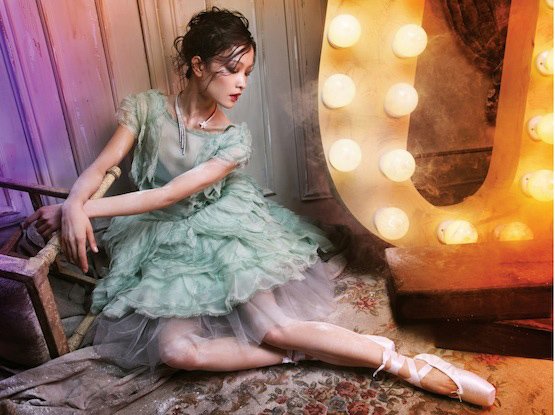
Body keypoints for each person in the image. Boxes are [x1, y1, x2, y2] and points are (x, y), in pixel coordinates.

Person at [24, 7, 495, 407]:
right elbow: (100, 167)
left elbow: (170, 193)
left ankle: (402, 364)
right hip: (160, 236)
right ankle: (309, 352)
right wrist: (73, 204)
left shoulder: (233, 139)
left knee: (273, 328)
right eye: (232, 69)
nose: (241, 83)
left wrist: (83, 212)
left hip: (223, 227)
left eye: (247, 72)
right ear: (197, 65)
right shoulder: (145, 109)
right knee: (178, 352)